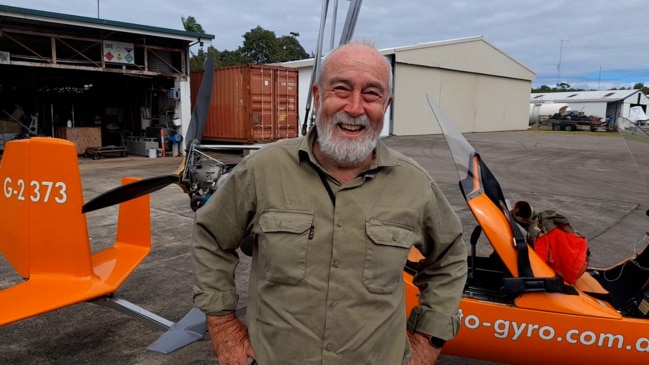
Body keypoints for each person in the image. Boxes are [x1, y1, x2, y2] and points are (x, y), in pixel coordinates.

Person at [191, 40, 467, 365]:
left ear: (386, 105)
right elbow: (211, 235)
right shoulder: (263, 171)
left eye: (371, 94)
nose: (354, 107)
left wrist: (427, 341)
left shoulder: (415, 185)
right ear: (319, 97)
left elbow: (449, 257)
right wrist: (223, 325)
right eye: (341, 89)